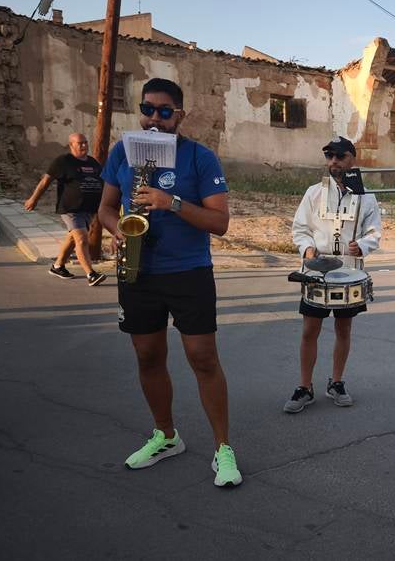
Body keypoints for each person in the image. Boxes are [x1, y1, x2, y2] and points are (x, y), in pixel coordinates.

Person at [97, 78, 242, 488]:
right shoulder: (122, 151)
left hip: (189, 271)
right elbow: (106, 208)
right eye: (148, 109)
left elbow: (221, 223)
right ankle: (165, 436)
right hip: (137, 270)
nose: (154, 118)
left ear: (180, 115)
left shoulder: (200, 157)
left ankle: (223, 449)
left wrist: (171, 203)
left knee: (203, 359)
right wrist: (117, 230)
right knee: (147, 356)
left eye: (164, 111)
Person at [285, 136, 381, 413]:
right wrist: (307, 249)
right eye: (329, 157)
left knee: (344, 328)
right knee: (309, 330)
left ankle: (336, 382)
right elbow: (300, 228)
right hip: (316, 270)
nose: (334, 162)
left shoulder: (367, 197)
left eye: (340, 157)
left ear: (353, 159)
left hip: (349, 271)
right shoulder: (313, 193)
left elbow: (375, 232)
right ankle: (305, 387)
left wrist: (361, 245)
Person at [25, 133, 107, 286]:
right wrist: (33, 199)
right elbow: (45, 181)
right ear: (71, 145)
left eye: (85, 142)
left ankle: (58, 266)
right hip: (70, 208)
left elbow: (103, 182)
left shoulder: (93, 162)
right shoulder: (63, 161)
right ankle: (91, 274)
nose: (84, 146)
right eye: (79, 143)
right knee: (82, 239)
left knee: (72, 238)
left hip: (88, 209)